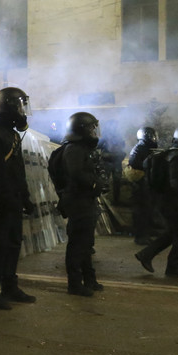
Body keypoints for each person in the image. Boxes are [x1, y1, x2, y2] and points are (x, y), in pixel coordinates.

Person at [0, 87, 37, 310]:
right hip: (0, 201)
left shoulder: (9, 132)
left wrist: (24, 197)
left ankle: (9, 286)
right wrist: (7, 199)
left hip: (12, 199)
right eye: (20, 106)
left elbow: (16, 170)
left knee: (12, 244)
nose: (23, 112)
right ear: (10, 108)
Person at [134, 123, 178, 278]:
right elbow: (176, 183)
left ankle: (146, 255)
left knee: (173, 233)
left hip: (165, 200)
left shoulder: (172, 153)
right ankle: (173, 267)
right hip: (174, 201)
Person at [55, 113, 108, 296]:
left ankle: (89, 279)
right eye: (91, 128)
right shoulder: (74, 149)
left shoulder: (81, 148)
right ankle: (75, 284)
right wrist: (95, 183)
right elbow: (76, 173)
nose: (94, 131)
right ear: (82, 129)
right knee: (78, 244)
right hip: (78, 201)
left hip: (85, 200)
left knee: (85, 243)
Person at [127, 127, 159, 245]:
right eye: (152, 136)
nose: (155, 138)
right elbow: (137, 166)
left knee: (146, 210)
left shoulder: (143, 147)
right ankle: (141, 236)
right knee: (141, 211)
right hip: (140, 186)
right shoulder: (140, 149)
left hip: (144, 184)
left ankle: (146, 232)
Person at [96, 121, 126, 205]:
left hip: (116, 161)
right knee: (104, 182)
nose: (115, 127)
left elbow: (122, 146)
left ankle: (116, 200)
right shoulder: (105, 136)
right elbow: (98, 145)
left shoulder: (118, 136)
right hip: (107, 162)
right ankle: (102, 201)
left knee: (117, 182)